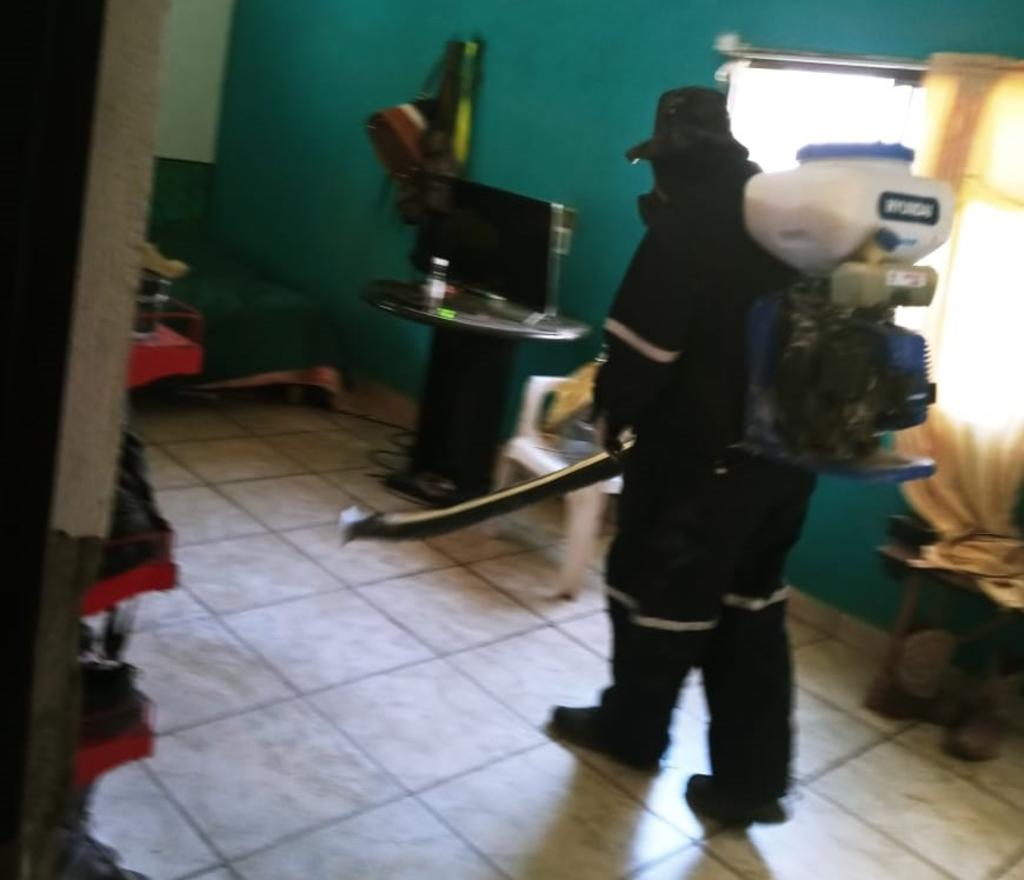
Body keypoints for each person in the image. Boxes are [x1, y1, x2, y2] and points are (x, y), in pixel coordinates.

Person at [548, 86, 817, 826]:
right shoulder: (793, 219)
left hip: (700, 466)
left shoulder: (689, 225)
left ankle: (631, 734)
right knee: (751, 613)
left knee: (654, 601)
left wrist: (613, 414)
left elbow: (642, 355)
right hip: (787, 462)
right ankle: (752, 785)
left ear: (670, 159)